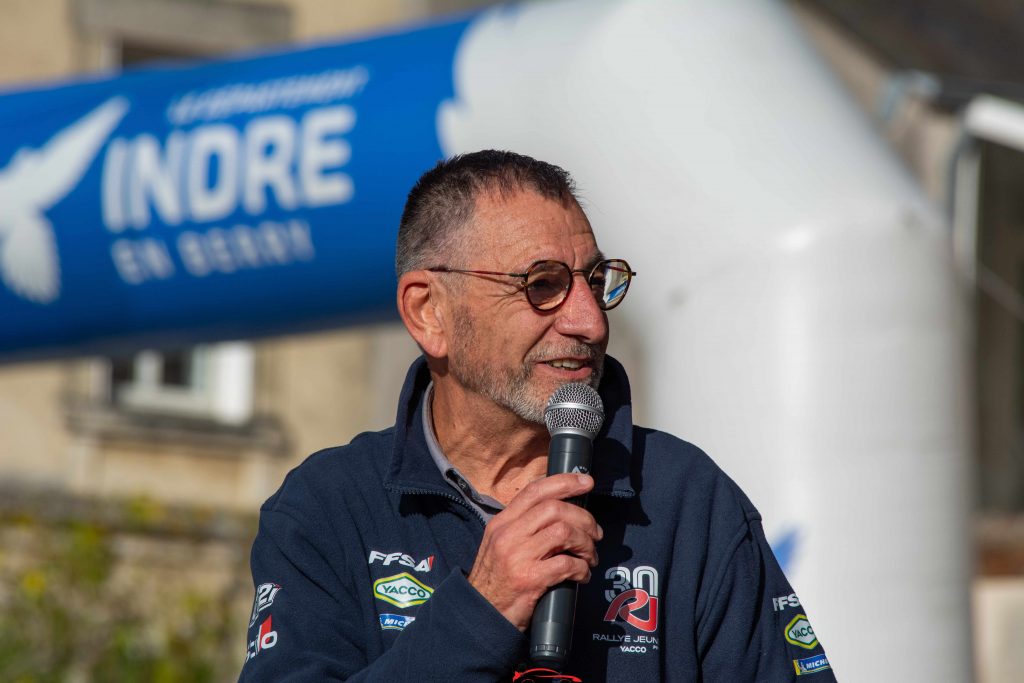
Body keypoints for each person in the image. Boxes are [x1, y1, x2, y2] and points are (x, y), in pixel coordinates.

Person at [239, 150, 836, 681]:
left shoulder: (689, 500)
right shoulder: (329, 506)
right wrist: (480, 612)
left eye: (597, 281)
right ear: (429, 314)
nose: (590, 321)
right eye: (542, 284)